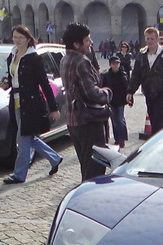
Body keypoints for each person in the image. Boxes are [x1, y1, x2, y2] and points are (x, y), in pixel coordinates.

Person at [0, 25, 62, 185]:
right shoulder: (12, 54)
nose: (17, 40)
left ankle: (19, 174)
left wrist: (54, 108)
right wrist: (7, 83)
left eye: (20, 37)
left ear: (28, 39)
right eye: (15, 37)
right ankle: (55, 158)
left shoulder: (33, 57)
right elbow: (12, 75)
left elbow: (44, 83)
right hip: (16, 99)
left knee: (24, 139)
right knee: (27, 137)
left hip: (31, 102)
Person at [60, 22, 113, 182]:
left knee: (86, 165)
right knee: (94, 169)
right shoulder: (80, 61)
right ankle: (90, 202)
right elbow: (92, 94)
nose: (91, 43)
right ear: (77, 43)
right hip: (88, 121)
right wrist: (108, 93)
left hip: (74, 120)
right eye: (87, 40)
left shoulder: (65, 59)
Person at [127, 27, 163, 137]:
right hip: (149, 93)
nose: (150, 41)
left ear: (157, 39)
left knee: (158, 123)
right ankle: (158, 142)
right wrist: (130, 91)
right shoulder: (142, 57)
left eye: (152, 39)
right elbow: (136, 76)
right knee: (154, 122)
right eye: (147, 39)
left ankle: (156, 145)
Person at [101, 56, 129, 148]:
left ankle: (122, 139)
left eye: (117, 63)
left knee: (120, 119)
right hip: (111, 101)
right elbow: (104, 87)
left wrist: (129, 99)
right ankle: (117, 139)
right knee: (114, 120)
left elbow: (127, 87)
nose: (116, 65)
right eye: (114, 63)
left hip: (121, 101)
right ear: (110, 65)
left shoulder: (123, 74)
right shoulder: (106, 75)